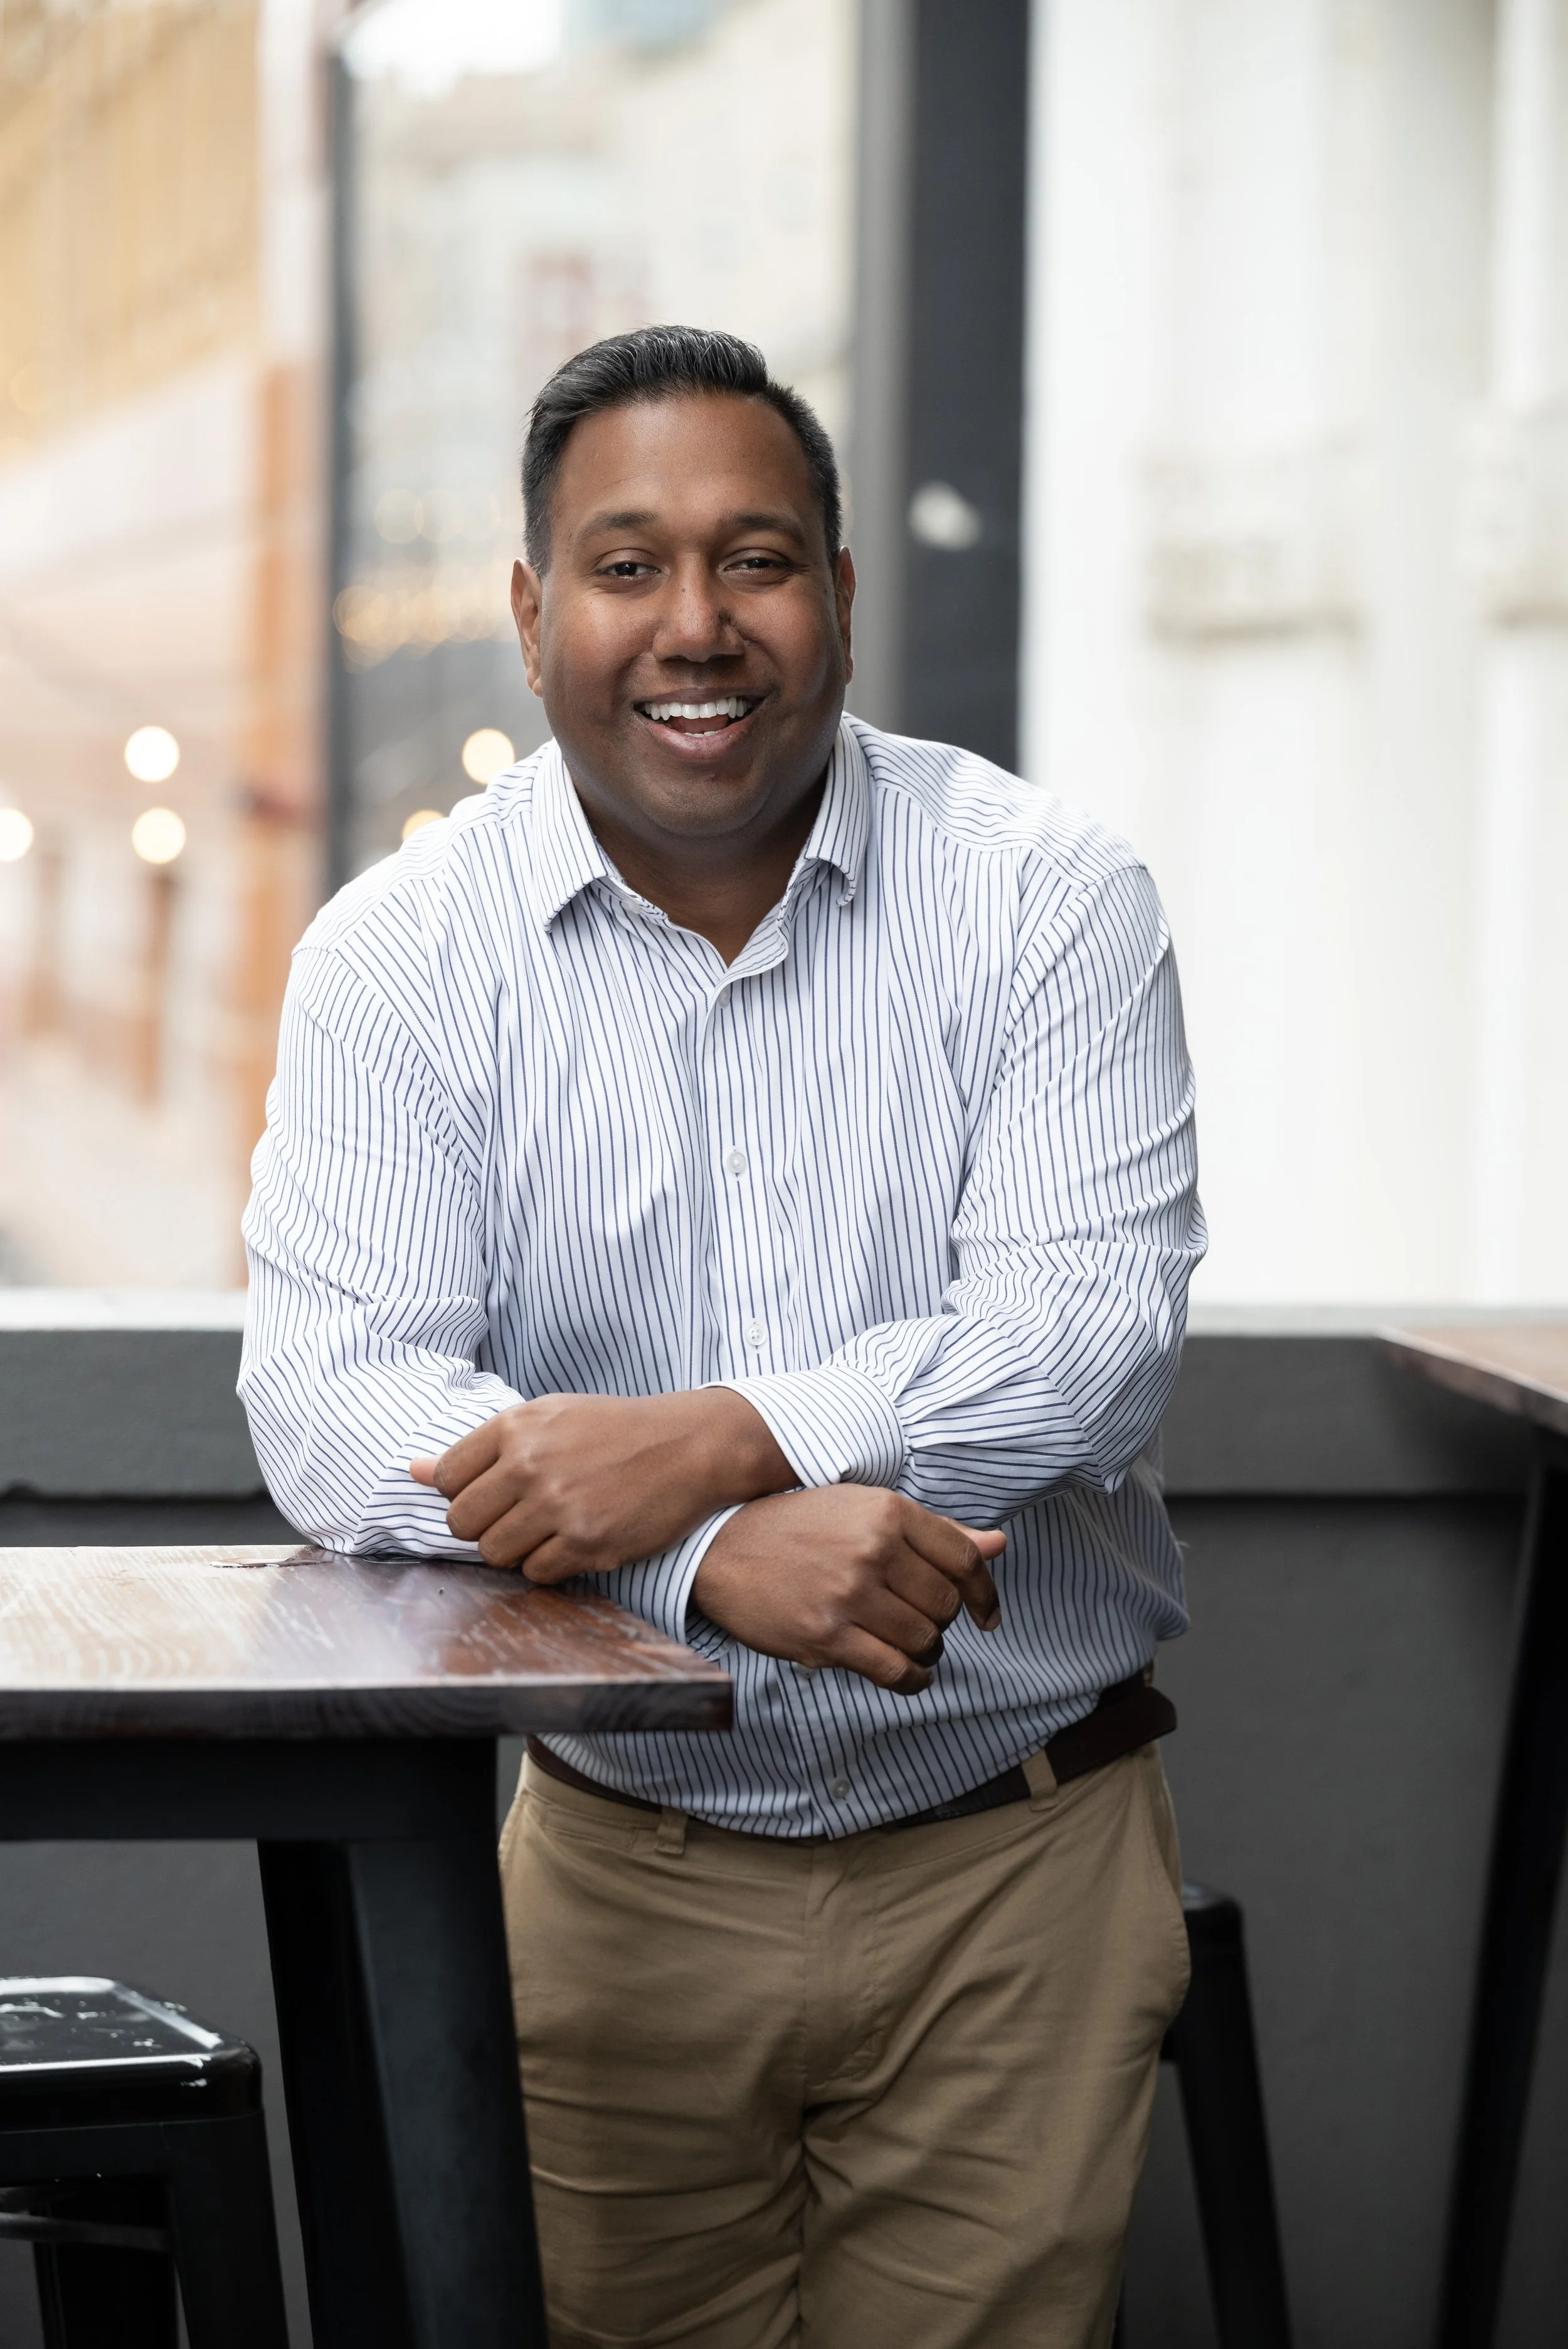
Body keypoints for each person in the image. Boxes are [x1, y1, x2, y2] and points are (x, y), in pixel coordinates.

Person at [240, 324, 1205, 2349]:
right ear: (529, 614)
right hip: (619, 1874)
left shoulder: (1046, 900)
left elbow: (1083, 1338)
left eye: (757, 559)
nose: (698, 625)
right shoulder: (403, 960)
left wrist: (713, 1436)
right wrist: (695, 1555)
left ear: (840, 599)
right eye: (625, 565)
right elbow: (335, 1406)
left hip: (1014, 1866)